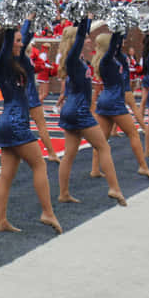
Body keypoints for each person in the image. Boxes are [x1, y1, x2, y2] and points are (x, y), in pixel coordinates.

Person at [0, 26, 62, 233]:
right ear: (8, 43)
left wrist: (28, 20)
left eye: (22, 41)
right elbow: (9, 42)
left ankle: (1, 221)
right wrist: (12, 24)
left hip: (10, 121)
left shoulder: (16, 61)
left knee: (6, 175)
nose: (22, 44)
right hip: (15, 122)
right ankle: (47, 212)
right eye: (17, 41)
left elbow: (25, 38)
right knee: (39, 166)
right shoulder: (1, 63)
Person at [56, 20, 126, 206]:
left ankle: (63, 193)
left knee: (69, 154)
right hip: (79, 110)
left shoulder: (77, 60)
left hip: (72, 108)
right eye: (86, 37)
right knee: (103, 147)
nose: (89, 40)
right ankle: (114, 188)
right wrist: (86, 17)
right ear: (75, 40)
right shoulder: (72, 59)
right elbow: (79, 37)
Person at [91, 32, 149, 180]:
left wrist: (121, 28)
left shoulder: (110, 58)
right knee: (133, 134)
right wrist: (117, 30)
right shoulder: (106, 60)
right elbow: (114, 46)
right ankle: (143, 166)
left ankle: (94, 169)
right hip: (114, 100)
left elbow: (116, 47)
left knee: (102, 139)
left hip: (106, 100)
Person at [19, 18, 61, 162]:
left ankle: (23, 153)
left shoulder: (17, 59)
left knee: (22, 126)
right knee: (40, 125)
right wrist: (30, 22)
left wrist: (30, 23)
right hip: (29, 95)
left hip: (18, 96)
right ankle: (51, 152)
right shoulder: (25, 59)